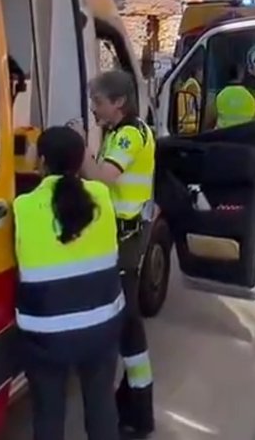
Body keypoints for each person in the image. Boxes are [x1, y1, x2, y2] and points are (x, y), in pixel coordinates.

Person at [13, 125, 124, 440]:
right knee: (102, 406)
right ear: (80, 160)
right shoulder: (101, 196)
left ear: (41, 161)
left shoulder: (23, 207)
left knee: (48, 413)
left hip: (46, 335)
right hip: (102, 326)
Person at [84, 70, 156, 438]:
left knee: (128, 322)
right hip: (118, 234)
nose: (93, 108)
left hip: (126, 238)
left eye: (98, 101)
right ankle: (131, 398)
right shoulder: (116, 131)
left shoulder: (129, 134)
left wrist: (78, 151)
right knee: (125, 320)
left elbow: (103, 178)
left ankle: (139, 410)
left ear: (119, 102)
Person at [212, 64, 255, 130]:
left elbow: (212, 115)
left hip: (223, 133)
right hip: (246, 133)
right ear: (241, 75)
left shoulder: (220, 93)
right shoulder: (251, 94)